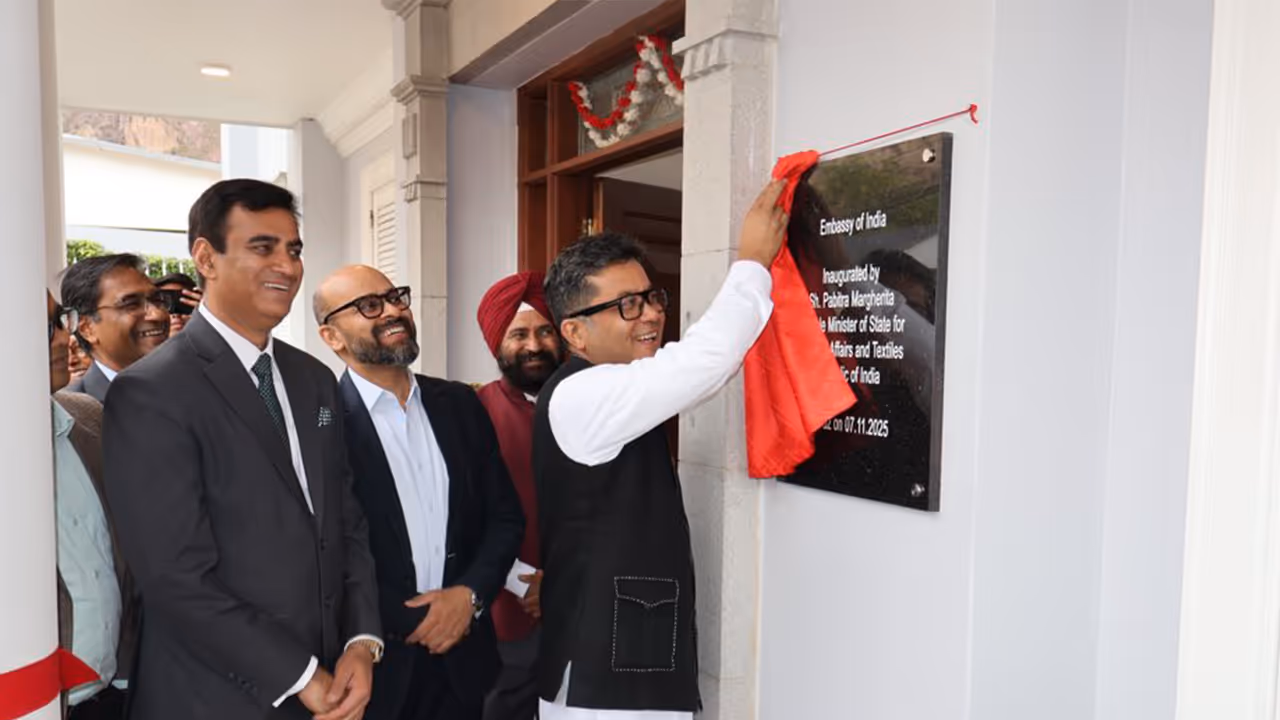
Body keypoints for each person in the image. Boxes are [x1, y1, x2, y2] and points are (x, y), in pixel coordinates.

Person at [103, 179, 383, 720]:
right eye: (263, 247)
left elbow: (346, 520)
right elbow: (174, 577)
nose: (287, 265)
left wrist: (361, 640)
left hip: (331, 687)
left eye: (294, 249)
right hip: (214, 697)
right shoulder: (151, 391)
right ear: (206, 257)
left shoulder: (314, 379)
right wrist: (300, 675)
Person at [533, 180, 787, 720]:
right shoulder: (581, 395)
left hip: (633, 655)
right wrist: (752, 264)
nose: (650, 314)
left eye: (651, 297)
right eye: (626, 304)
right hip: (603, 677)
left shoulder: (615, 384)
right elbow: (701, 363)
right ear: (574, 333)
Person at [313, 265, 525, 720]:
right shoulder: (320, 426)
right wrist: (415, 620)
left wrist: (468, 596)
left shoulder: (460, 404)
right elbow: (322, 553)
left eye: (396, 298)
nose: (393, 311)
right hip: (375, 667)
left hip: (465, 663)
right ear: (332, 337)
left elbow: (504, 517)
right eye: (371, 305)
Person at [47, 291, 139, 720]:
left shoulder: (88, 417)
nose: (65, 339)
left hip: (112, 697)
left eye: (59, 320)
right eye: (46, 327)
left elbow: (124, 557)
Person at [474, 272, 562, 720]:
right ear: (497, 343)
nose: (534, 345)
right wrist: (526, 582)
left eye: (545, 330)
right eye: (519, 333)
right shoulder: (474, 411)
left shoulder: (582, 400)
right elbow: (464, 515)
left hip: (582, 604)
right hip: (509, 607)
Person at [60, 254, 170, 403]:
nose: (157, 315)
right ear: (87, 328)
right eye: (131, 304)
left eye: (157, 300)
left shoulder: (191, 387)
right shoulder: (76, 414)